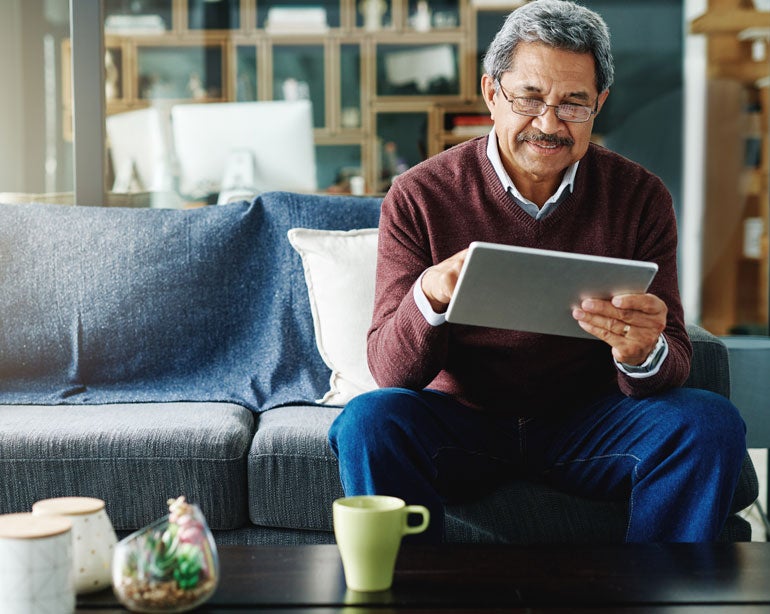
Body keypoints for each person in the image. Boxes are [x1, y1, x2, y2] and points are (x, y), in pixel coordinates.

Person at [328, 0, 747, 543]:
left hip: (588, 425)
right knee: (368, 422)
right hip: (461, 425)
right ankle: (416, 595)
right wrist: (429, 295)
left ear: (600, 105)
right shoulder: (419, 195)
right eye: (530, 97)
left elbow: (672, 364)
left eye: (574, 103)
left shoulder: (639, 196)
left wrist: (644, 352)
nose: (549, 124)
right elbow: (390, 371)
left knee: (708, 423)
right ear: (491, 93)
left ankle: (655, 593)